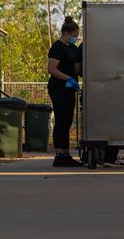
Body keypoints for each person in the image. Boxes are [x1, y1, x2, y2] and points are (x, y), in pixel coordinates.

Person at [47, 16, 83, 167]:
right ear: (67, 33)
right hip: (58, 88)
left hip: (69, 89)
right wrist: (67, 78)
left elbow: (77, 68)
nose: (75, 38)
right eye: (74, 35)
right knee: (61, 120)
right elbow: (51, 69)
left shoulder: (73, 48)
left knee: (67, 121)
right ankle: (59, 155)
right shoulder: (57, 47)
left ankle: (66, 154)